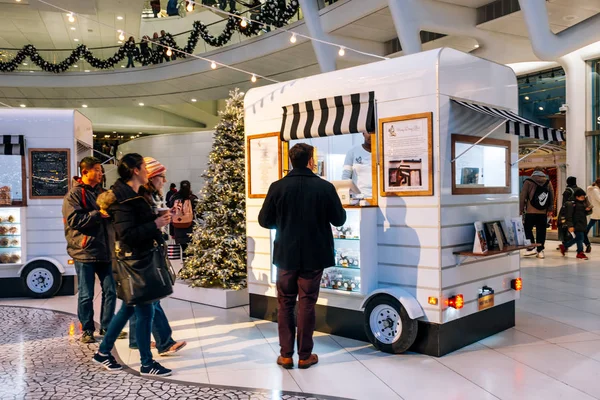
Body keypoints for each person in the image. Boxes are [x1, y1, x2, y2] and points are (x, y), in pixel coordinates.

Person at [258, 143, 346, 369]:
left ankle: (286, 355)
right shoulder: (324, 187)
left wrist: (284, 223)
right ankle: (305, 356)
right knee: (307, 303)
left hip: (286, 252)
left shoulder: (277, 187)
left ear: (291, 160)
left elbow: (264, 220)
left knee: (285, 302)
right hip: (314, 254)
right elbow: (339, 220)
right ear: (310, 161)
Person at [93, 153, 173, 376]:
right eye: (145, 169)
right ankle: (146, 363)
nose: (148, 173)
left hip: (140, 257)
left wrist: (158, 224)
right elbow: (126, 234)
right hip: (135, 261)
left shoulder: (134, 196)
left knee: (129, 308)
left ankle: (103, 352)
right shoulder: (124, 199)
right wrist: (155, 224)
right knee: (145, 310)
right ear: (136, 171)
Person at [129, 157, 187, 356]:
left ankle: (137, 340)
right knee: (150, 299)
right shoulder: (140, 198)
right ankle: (163, 342)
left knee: (138, 299)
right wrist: (158, 224)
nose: (164, 180)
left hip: (140, 254)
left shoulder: (148, 197)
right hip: (141, 255)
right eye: (161, 176)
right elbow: (135, 229)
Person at [62, 157, 122, 343]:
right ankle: (87, 329)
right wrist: (98, 214)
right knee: (86, 294)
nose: (100, 173)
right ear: (85, 172)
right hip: (84, 251)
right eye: (96, 169)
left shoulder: (104, 193)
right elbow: (74, 220)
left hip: (106, 250)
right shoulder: (74, 194)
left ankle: (107, 327)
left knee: (111, 291)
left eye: (100, 169)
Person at [519, 167, 554, 259]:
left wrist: (520, 209)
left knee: (527, 229)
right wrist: (550, 209)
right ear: (542, 172)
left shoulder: (528, 181)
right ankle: (540, 250)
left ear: (534, 172)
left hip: (530, 211)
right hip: (543, 212)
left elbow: (523, 196)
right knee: (541, 231)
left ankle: (531, 247)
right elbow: (551, 196)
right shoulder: (548, 182)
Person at [559, 188, 590, 260]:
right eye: (582, 197)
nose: (583, 198)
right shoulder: (572, 204)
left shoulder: (582, 204)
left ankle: (564, 246)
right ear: (577, 197)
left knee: (579, 238)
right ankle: (580, 252)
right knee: (580, 238)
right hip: (576, 224)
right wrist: (570, 225)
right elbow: (569, 216)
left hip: (582, 224)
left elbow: (584, 214)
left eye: (583, 197)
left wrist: (588, 210)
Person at [170, 180, 198, 256]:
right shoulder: (193, 198)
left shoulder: (175, 197)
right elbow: (198, 211)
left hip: (178, 228)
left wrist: (171, 232)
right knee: (191, 252)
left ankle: (184, 265)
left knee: (184, 250)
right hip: (190, 228)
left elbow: (171, 208)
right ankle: (189, 266)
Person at [342, 132, 373, 198]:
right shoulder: (353, 152)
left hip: (381, 199)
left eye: (373, 132)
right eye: (368, 132)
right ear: (363, 133)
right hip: (359, 199)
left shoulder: (383, 152)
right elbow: (345, 177)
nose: (370, 135)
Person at [585, 178, 600, 253]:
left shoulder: (594, 189)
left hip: (596, 211)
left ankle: (584, 235)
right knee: (590, 225)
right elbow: (599, 199)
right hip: (597, 211)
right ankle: (584, 235)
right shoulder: (596, 190)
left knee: (590, 224)